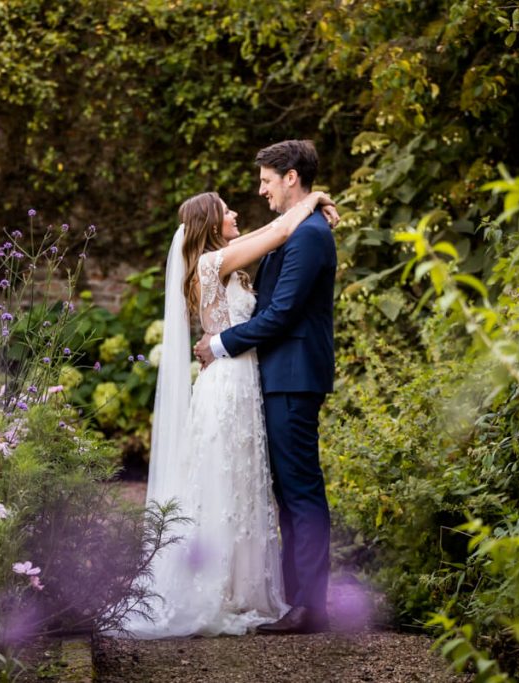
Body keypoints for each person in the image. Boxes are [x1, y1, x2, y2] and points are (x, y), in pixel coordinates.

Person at [116, 185, 337, 639]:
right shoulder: (214, 262)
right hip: (228, 384)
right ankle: (214, 590)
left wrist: (306, 206)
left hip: (240, 382)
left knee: (241, 484)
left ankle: (239, 587)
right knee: (224, 484)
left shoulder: (222, 255)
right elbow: (276, 232)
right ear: (211, 225)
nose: (236, 212)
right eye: (226, 210)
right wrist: (313, 201)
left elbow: (268, 231)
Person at [195, 140, 337, 634]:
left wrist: (219, 345)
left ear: (291, 177)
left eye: (267, 180)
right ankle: (296, 599)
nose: (261, 190)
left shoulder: (310, 237)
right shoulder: (296, 230)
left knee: (300, 490)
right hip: (280, 377)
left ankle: (310, 605)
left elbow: (281, 314)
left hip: (294, 377)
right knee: (287, 490)